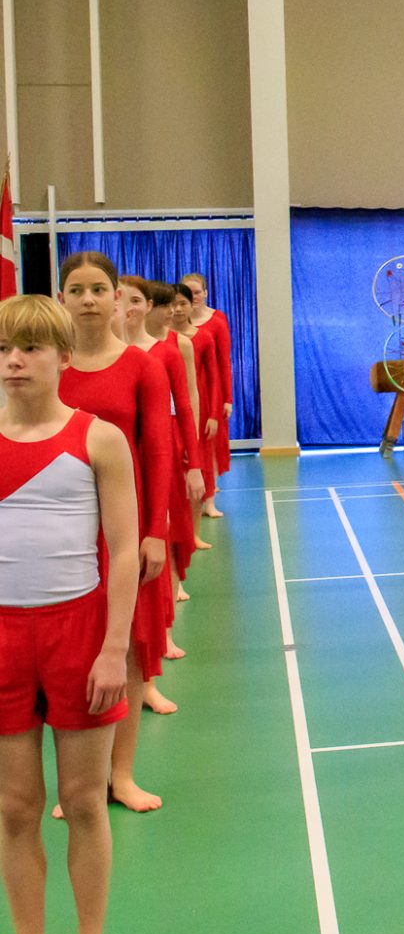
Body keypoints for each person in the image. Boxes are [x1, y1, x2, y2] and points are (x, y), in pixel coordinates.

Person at [0, 294, 138, 934]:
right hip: (3, 638)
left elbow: (125, 548)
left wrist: (114, 649)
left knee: (84, 801)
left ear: (62, 357)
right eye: (3, 350)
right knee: (16, 808)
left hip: (78, 633)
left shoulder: (98, 438)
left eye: (27, 348)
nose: (14, 361)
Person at [56, 254, 173, 814]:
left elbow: (159, 449)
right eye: (75, 289)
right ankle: (80, 781)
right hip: (59, 534)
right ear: (60, 298)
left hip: (124, 532)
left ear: (116, 297)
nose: (87, 299)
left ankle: (120, 775)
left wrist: (155, 532)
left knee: (122, 651)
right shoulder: (45, 367)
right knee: (68, 653)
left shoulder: (141, 366)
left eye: (98, 289)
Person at [120, 279, 202, 704]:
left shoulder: (166, 352)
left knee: (161, 543)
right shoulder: (89, 359)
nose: (126, 307)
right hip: (112, 472)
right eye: (121, 299)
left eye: (134, 300)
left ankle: (153, 660)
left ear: (147, 305)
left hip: (156, 453)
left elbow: (185, 404)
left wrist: (195, 463)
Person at [168, 283, 221, 547]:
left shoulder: (202, 338)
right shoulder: (160, 339)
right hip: (167, 411)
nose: (177, 309)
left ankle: (194, 533)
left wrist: (212, 414)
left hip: (195, 409)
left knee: (196, 466)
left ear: (192, 305)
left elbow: (213, 377)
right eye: (173, 304)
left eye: (183, 304)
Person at [181, 273, 232, 516]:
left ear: (206, 293)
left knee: (208, 444)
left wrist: (227, 399)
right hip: (182, 392)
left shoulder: (216, 322)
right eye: (188, 293)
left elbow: (223, 365)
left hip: (207, 392)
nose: (193, 298)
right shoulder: (176, 325)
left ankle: (209, 497)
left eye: (197, 292)